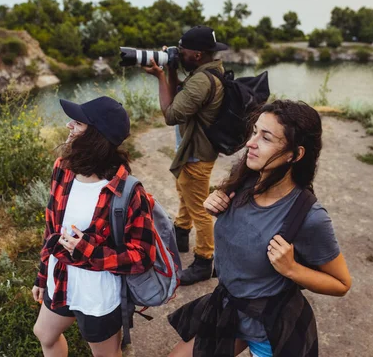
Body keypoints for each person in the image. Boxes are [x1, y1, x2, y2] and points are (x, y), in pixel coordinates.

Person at [167, 100, 352, 357]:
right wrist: (215, 202)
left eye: (265, 137)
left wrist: (292, 269)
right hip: (229, 310)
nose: (250, 143)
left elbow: (342, 284)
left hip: (269, 330)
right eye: (254, 132)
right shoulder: (243, 182)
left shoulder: (309, 216)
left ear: (295, 154)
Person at [31, 96, 156, 357]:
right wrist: (43, 275)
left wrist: (88, 249)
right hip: (61, 280)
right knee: (44, 334)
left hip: (98, 298)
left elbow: (142, 257)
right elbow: (51, 226)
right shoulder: (63, 169)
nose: (69, 126)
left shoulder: (128, 192)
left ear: (96, 136)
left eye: (77, 122)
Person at [143, 25, 229, 285]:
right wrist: (169, 69)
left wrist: (160, 77)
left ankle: (205, 260)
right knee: (186, 192)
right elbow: (182, 96)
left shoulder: (203, 79)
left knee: (200, 208)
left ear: (198, 54)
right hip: (195, 151)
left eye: (183, 52)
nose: (179, 55)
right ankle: (181, 233)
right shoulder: (207, 72)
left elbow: (171, 114)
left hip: (196, 154)